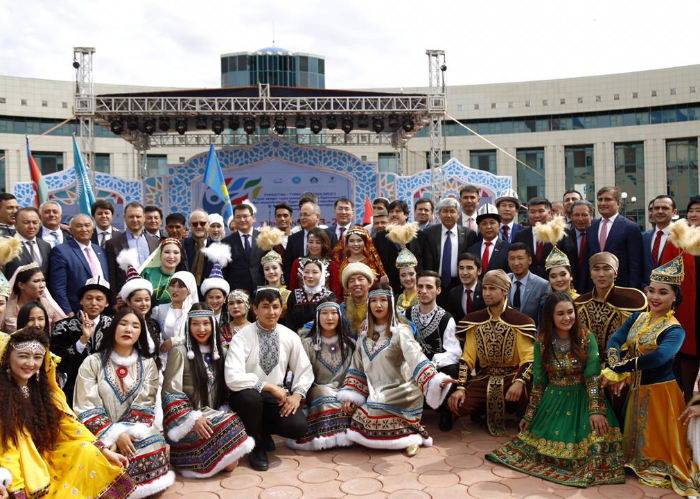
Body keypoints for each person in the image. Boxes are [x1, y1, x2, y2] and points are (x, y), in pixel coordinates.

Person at [486, 292, 625, 487]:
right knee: (538, 450)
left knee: (598, 447)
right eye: (560, 314)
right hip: (553, 404)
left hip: (584, 400)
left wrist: (597, 411)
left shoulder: (586, 338)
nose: (567, 318)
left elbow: (593, 377)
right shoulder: (542, 343)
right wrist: (530, 414)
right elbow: (539, 383)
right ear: (551, 316)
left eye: (570, 312)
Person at [601, 254, 700, 495]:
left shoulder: (674, 330)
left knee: (662, 450)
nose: (655, 297)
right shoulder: (638, 317)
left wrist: (621, 368)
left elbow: (659, 358)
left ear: (675, 297)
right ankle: (635, 460)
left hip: (660, 395)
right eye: (652, 290)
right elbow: (615, 338)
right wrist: (614, 360)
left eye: (663, 292)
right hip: (636, 391)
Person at [0, 327, 135, 499]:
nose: (30, 363)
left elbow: (69, 426)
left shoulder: (45, 391)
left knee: (87, 451)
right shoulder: (3, 396)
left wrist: (104, 451)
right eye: (23, 356)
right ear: (7, 357)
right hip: (18, 463)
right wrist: (12, 487)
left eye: (37, 357)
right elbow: (7, 448)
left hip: (48, 453)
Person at [337, 283, 455, 456]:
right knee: (347, 411)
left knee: (374, 411)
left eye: (383, 300)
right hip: (375, 390)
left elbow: (416, 356)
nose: (378, 305)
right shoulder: (364, 335)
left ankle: (413, 435)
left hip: (402, 389)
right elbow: (357, 368)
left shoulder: (400, 331)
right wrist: (352, 394)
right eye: (374, 300)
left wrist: (434, 379)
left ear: (391, 303)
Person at [73, 308, 175, 497]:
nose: (128, 329)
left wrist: (124, 433)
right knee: (90, 451)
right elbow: (86, 406)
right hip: (98, 433)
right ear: (113, 328)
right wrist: (114, 434)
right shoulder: (92, 362)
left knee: (151, 439)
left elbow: (145, 406)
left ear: (140, 333)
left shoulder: (148, 365)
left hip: (135, 431)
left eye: (135, 326)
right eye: (123, 324)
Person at [225, 288, 314, 471]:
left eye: (275, 307)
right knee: (251, 399)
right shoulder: (242, 337)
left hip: (276, 398)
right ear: (255, 309)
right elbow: (232, 377)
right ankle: (256, 445)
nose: (271, 312)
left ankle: (262, 430)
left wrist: (297, 395)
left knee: (297, 426)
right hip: (246, 395)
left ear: (281, 309)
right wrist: (268, 386)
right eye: (265, 307)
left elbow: (304, 369)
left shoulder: (289, 336)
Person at [162, 303, 254, 477]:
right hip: (189, 422)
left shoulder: (222, 353)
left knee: (230, 462)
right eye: (195, 324)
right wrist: (192, 418)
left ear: (213, 325)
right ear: (188, 326)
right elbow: (170, 393)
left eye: (206, 323)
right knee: (229, 449)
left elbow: (227, 391)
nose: (201, 329)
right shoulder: (179, 352)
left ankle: (206, 458)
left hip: (213, 419)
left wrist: (222, 411)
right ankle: (191, 458)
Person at [449, 269, 536, 436]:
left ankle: (519, 411)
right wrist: (460, 387)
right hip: (486, 377)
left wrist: (519, 382)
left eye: (492, 289)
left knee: (527, 383)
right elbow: (467, 357)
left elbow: (529, 358)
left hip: (511, 376)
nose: (487, 293)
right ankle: (484, 408)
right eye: (485, 289)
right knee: (458, 406)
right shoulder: (474, 321)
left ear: (504, 292)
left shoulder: (520, 321)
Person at [288, 300, 355, 450]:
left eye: (333, 313)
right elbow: (301, 374)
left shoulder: (350, 344)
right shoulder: (307, 344)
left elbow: (356, 373)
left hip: (345, 391)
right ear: (317, 317)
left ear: (340, 316)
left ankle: (346, 436)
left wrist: (350, 394)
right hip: (317, 389)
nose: (329, 317)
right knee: (324, 393)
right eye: (324, 313)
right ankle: (328, 437)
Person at [407, 271, 461, 432]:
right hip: (412, 365)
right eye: (420, 286)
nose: (423, 291)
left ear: (438, 290)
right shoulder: (407, 314)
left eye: (429, 287)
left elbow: (454, 352)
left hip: (435, 366)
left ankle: (445, 412)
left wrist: (431, 364)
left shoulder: (446, 319)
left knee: (451, 370)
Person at [574, 252, 647, 363]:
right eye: (596, 269)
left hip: (620, 365)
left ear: (615, 273)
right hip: (586, 364)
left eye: (607, 269)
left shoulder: (631, 302)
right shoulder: (580, 304)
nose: (601, 274)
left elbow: (635, 341)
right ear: (590, 273)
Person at [50, 276, 113, 405]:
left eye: (99, 299)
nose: (94, 303)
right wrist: (83, 340)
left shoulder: (114, 326)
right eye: (89, 298)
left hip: (108, 390)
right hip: (72, 390)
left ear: (107, 303)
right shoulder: (62, 327)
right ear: (81, 301)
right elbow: (60, 363)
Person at [661, 218, 700, 402]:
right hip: (688, 307)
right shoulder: (678, 242)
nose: (694, 214)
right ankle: (687, 398)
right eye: (691, 210)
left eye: (698, 210)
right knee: (688, 352)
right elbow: (664, 277)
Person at [580, 186, 643, 292]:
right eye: (600, 199)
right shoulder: (591, 229)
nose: (603, 203)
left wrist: (633, 293)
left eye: (608, 199)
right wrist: (582, 291)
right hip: (595, 290)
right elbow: (586, 264)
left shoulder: (630, 227)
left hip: (621, 289)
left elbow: (635, 264)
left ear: (618, 203)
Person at [419, 197, 478, 307]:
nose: (448, 215)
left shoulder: (469, 234)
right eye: (445, 211)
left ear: (458, 214)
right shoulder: (428, 233)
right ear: (439, 214)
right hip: (435, 284)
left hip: (460, 284)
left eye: (452, 211)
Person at [49, 213, 108, 315]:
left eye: (87, 225)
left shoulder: (101, 251)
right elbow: (58, 288)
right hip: (77, 312)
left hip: (103, 312)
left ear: (93, 229)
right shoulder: (61, 251)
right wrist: (68, 312)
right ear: (71, 230)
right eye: (79, 226)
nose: (84, 229)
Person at [105, 202, 159, 302]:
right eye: (131, 216)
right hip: (125, 300)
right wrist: (114, 301)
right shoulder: (113, 244)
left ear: (144, 218)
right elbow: (112, 277)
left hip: (152, 298)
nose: (135, 220)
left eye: (138, 216)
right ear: (125, 218)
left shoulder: (155, 242)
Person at [2, 263, 66, 334]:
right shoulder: (6, 308)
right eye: (36, 281)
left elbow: (61, 328)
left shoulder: (48, 305)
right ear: (21, 285)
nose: (42, 285)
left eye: (43, 280)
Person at [151, 271, 198, 359]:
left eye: (180, 286)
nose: (175, 290)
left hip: (189, 357)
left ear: (189, 290)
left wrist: (174, 341)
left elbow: (198, 335)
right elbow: (152, 331)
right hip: (163, 356)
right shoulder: (160, 310)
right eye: (172, 285)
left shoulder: (195, 311)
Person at [222, 203, 265, 295]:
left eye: (245, 216)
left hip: (261, 290)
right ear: (234, 219)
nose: (242, 220)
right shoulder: (225, 242)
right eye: (238, 217)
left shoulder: (265, 238)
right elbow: (225, 271)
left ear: (253, 218)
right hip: (237, 292)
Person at [286, 259, 338, 334]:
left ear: (322, 274)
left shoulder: (329, 296)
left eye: (315, 272)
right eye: (306, 272)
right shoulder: (294, 295)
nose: (310, 276)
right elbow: (289, 321)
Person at [289, 227, 342, 299]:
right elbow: (293, 288)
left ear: (324, 244)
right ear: (307, 243)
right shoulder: (298, 263)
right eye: (310, 242)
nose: (314, 246)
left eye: (318, 242)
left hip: (325, 305)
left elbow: (336, 291)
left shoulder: (331, 265)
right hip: (301, 305)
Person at [332, 226, 386, 295]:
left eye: (359, 240)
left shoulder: (373, 263)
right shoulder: (341, 264)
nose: (355, 244)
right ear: (347, 243)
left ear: (365, 242)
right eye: (351, 241)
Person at [535, 215, 579, 298]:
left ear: (571, 276)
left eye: (563, 274)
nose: (559, 280)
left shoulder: (581, 301)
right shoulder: (545, 304)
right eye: (553, 276)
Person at [506, 243, 549, 326]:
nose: (516, 263)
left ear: (529, 260)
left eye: (520, 258)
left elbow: (542, 319)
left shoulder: (542, 285)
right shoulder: (503, 280)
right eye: (512, 259)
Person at [256, 227, 292, 322]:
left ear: (282, 270)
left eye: (275, 268)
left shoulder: (289, 295)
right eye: (267, 269)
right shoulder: (258, 293)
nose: (271, 272)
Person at [4, 207, 51, 279]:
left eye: (35, 222)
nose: (31, 226)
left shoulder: (45, 246)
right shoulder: (7, 245)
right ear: (16, 224)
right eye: (26, 222)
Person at [513, 197, 553, 279]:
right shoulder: (520, 236)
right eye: (532, 212)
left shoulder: (560, 234)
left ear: (550, 213)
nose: (536, 215)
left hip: (554, 285)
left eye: (541, 211)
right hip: (528, 285)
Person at [643, 195, 677, 288]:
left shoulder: (681, 238)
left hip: (673, 296)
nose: (660, 211)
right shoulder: (644, 237)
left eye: (665, 208)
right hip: (647, 294)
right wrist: (643, 287)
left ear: (674, 212)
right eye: (656, 208)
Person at [139, 238, 185, 306]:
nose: (171, 256)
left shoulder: (183, 278)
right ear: (160, 255)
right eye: (167, 252)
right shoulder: (148, 272)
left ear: (180, 256)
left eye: (176, 253)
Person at [468, 203, 510, 274]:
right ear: (479, 228)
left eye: (492, 223)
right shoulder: (472, 250)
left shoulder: (508, 248)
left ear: (499, 225)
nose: (488, 227)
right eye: (484, 224)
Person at [387, 223, 420, 315]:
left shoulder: (424, 295)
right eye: (403, 275)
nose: (408, 278)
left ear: (417, 274)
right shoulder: (397, 298)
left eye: (411, 274)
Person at [200, 242, 232, 325]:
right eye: (211, 297)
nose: (214, 301)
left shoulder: (231, 318)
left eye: (218, 297)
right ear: (205, 298)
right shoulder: (199, 317)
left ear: (225, 298)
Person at [447, 253, 486, 320]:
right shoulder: (454, 292)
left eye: (469, 268)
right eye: (461, 268)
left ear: (479, 271)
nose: (464, 272)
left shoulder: (485, 291)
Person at [340, 262, 374, 337]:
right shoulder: (342, 309)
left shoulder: (379, 304)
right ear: (347, 286)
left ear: (369, 283)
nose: (356, 283)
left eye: (360, 279)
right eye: (351, 281)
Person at [567, 200, 594, 288]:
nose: (580, 219)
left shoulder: (598, 235)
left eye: (584, 215)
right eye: (576, 215)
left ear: (591, 216)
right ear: (571, 217)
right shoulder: (565, 237)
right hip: (572, 286)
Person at [182, 209, 212, 287]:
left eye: (202, 223)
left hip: (210, 293)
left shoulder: (217, 246)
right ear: (190, 225)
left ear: (208, 224)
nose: (198, 226)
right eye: (195, 224)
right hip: (187, 290)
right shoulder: (182, 245)